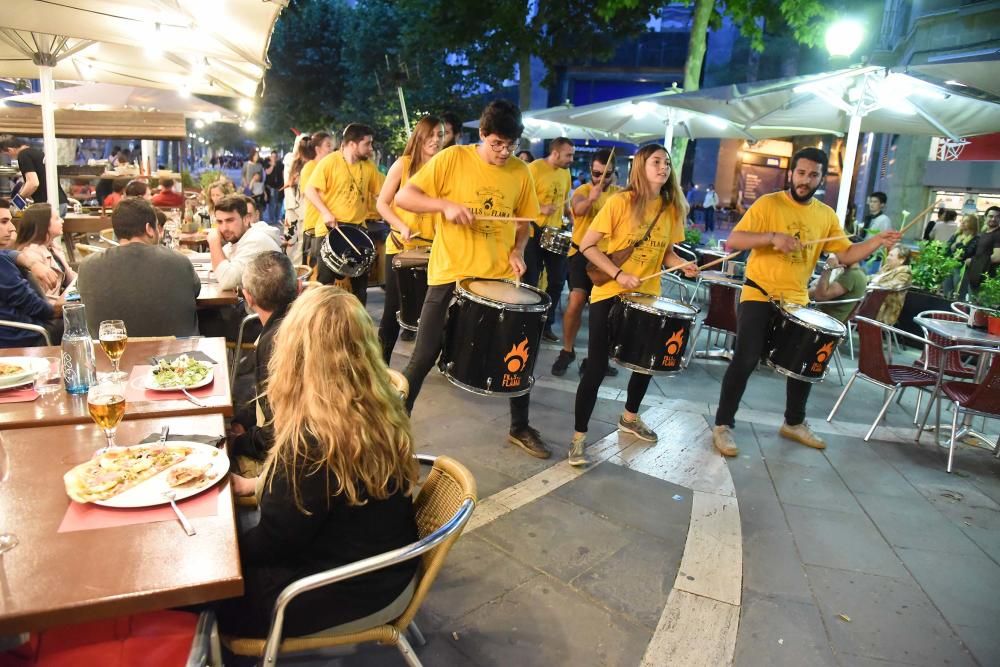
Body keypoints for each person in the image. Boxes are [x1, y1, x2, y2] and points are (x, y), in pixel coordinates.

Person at [221, 286, 419, 637]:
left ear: (295, 351)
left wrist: (216, 553)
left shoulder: (311, 441)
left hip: (347, 588)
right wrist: (257, 484)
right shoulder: (374, 402)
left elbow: (275, 541)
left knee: (202, 600)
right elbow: (326, 496)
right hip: (387, 567)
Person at [712, 147, 901, 457]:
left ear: (820, 178)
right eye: (800, 173)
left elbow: (846, 255)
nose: (805, 180)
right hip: (759, 293)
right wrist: (772, 237)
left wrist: (877, 242)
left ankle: (794, 422)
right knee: (745, 359)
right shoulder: (768, 204)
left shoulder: (825, 215)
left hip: (797, 298)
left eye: (812, 175)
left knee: (804, 363)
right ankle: (723, 424)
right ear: (792, 173)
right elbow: (735, 241)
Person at [395, 99, 552, 458]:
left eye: (510, 146)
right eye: (496, 144)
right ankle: (395, 426)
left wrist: (516, 251)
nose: (503, 152)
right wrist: (444, 206)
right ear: (482, 134)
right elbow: (406, 196)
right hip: (451, 272)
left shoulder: (520, 173)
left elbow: (523, 223)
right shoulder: (453, 159)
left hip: (495, 277)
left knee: (519, 353)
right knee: (422, 356)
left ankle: (520, 427)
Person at [570, 144, 697, 466]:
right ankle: (578, 438)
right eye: (656, 161)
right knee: (597, 367)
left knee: (645, 363)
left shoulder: (671, 208)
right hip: (611, 293)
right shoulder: (620, 202)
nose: (663, 167)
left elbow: (665, 251)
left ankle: (629, 417)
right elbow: (587, 245)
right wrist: (618, 273)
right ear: (641, 166)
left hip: (647, 295)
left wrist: (681, 263)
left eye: (667, 163)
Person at [77, 198, 200, 337]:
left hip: (110, 355)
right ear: (149, 229)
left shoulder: (87, 266)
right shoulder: (180, 262)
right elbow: (195, 290)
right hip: (176, 354)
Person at [375, 115, 443, 365]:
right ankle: (380, 366)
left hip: (434, 252)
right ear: (419, 136)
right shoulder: (402, 165)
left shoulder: (444, 167)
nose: (436, 140)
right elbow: (381, 203)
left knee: (434, 315)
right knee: (392, 312)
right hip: (401, 249)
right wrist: (401, 225)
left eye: (440, 135)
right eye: (431, 134)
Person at [552, 149, 621, 377]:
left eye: (606, 175)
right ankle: (567, 350)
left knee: (605, 311)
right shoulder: (582, 190)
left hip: (607, 258)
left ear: (614, 173)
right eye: (596, 173)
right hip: (582, 252)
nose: (600, 179)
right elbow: (579, 210)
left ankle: (596, 358)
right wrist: (592, 197)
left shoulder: (620, 196)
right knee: (576, 299)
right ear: (591, 170)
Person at [228, 251, 298, 463]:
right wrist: (243, 421)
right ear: (299, 289)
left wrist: (239, 442)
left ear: (248, 297)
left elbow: (276, 432)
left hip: (287, 460)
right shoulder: (305, 325)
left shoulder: (274, 343)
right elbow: (265, 396)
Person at [304, 124, 382, 305]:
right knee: (324, 288)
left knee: (360, 290)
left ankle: (356, 327)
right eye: (367, 144)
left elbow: (382, 193)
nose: (371, 148)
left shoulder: (369, 166)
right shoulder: (331, 161)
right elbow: (310, 189)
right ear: (353, 144)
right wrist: (325, 212)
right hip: (330, 230)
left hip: (358, 232)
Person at [525, 137, 574, 342]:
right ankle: (527, 322)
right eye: (568, 155)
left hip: (555, 232)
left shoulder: (565, 172)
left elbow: (565, 200)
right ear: (555, 153)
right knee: (530, 279)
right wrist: (539, 208)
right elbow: (520, 200)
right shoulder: (534, 169)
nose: (572, 159)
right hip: (534, 232)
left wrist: (570, 216)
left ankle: (546, 323)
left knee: (557, 280)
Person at [0, 198, 63, 347]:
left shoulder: (5, 257)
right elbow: (34, 306)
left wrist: (33, 264)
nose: (12, 228)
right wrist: (62, 309)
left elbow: (10, 254)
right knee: (80, 321)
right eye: (3, 222)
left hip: (18, 332)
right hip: (26, 337)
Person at [208, 195, 282, 291]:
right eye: (220, 222)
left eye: (230, 220)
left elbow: (227, 281)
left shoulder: (256, 240)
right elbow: (217, 266)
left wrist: (214, 241)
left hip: (268, 304)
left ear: (246, 219)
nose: (224, 228)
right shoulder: (240, 237)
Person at [15, 203, 75, 301]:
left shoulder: (53, 248)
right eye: (57, 218)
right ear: (44, 224)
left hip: (62, 302)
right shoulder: (31, 254)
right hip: (51, 311)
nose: (62, 221)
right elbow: (39, 298)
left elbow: (71, 277)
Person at [0, 135, 69, 211]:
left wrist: (17, 201)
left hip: (48, 205)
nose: (9, 157)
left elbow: (33, 183)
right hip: (60, 202)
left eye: (6, 154)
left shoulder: (23, 155)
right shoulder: (37, 153)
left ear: (10, 150)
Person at [297, 132, 334, 269]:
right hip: (313, 225)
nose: (331, 149)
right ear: (318, 149)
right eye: (328, 145)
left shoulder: (330, 167)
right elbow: (310, 193)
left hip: (327, 225)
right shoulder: (310, 167)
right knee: (313, 270)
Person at [809, 254, 868, 322]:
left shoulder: (852, 275)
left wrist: (827, 267)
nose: (836, 255)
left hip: (825, 319)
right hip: (826, 317)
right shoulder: (858, 273)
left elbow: (820, 296)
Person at [868, 245, 912, 325]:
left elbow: (891, 285)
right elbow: (875, 277)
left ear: (902, 260)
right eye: (889, 254)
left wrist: (872, 286)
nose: (888, 257)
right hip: (871, 299)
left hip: (884, 305)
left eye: (891, 255)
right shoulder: (887, 267)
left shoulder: (904, 273)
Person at [942, 214, 979, 298]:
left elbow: (967, 252)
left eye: (966, 221)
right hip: (949, 266)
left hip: (962, 269)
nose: (962, 222)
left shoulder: (976, 239)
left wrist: (957, 244)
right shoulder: (956, 235)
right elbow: (946, 249)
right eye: (962, 220)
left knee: (959, 294)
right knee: (947, 292)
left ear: (972, 224)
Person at [967, 206, 1000, 293]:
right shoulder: (984, 233)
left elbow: (997, 257)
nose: (993, 219)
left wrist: (973, 261)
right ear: (985, 217)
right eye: (991, 216)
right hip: (976, 277)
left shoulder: (998, 235)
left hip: (988, 280)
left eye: (997, 217)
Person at [241, 148, 266, 212]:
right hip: (248, 187)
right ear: (252, 156)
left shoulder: (259, 165)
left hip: (257, 188)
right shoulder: (246, 164)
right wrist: (245, 183)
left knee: (258, 206)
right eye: (255, 156)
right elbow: (243, 175)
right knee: (248, 205)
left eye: (258, 156)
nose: (257, 157)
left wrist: (257, 178)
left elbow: (262, 178)